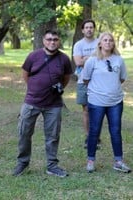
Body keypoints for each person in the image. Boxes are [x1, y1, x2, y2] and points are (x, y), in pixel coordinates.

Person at [12, 30, 72, 178]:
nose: (52, 42)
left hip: (54, 104)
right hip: (32, 102)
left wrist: (57, 89)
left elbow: (66, 78)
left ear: (59, 41)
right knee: (24, 132)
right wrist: (35, 88)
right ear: (44, 41)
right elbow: (25, 75)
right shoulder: (33, 56)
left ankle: (52, 165)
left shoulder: (64, 59)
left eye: (55, 39)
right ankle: (23, 163)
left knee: (52, 136)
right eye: (49, 39)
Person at [82, 32, 131, 173]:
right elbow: (86, 79)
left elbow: (121, 78)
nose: (108, 43)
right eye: (105, 40)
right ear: (100, 43)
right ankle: (90, 160)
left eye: (110, 40)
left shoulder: (118, 60)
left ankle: (118, 161)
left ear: (113, 44)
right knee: (94, 131)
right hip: (96, 102)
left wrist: (111, 88)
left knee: (115, 131)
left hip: (115, 102)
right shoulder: (92, 60)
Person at [73, 19, 100, 149]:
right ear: (82, 30)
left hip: (99, 81)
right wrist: (93, 57)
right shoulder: (78, 45)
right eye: (86, 27)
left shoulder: (100, 43)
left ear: (94, 29)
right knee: (86, 110)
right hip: (83, 81)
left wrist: (86, 58)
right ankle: (88, 136)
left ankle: (96, 136)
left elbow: (104, 58)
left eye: (91, 27)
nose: (89, 29)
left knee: (98, 109)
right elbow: (78, 62)